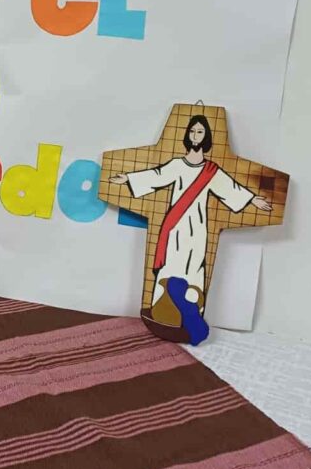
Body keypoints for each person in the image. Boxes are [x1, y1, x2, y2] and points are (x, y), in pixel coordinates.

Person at [110, 114, 271, 344]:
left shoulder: (211, 171)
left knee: (194, 266)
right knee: (170, 266)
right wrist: (127, 178)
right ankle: (163, 314)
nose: (196, 135)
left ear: (206, 136)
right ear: (187, 135)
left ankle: (190, 316)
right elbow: (157, 176)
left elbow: (230, 188)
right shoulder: (177, 165)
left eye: (200, 132)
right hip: (174, 227)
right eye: (193, 131)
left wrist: (253, 199)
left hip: (197, 227)